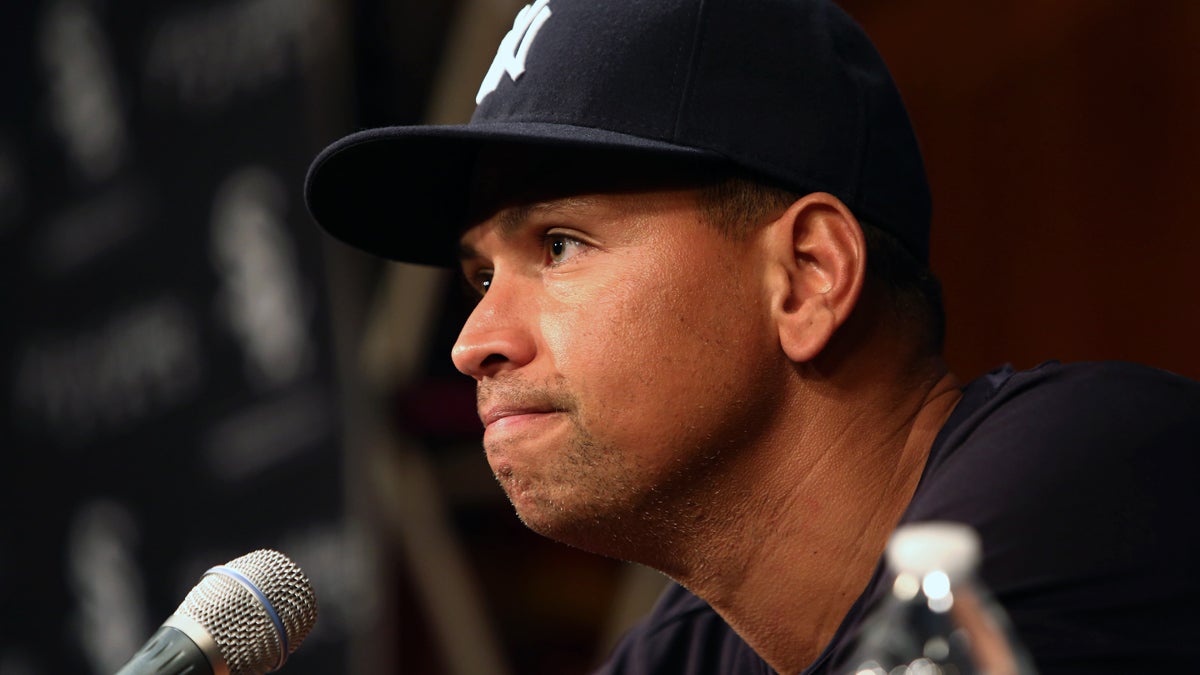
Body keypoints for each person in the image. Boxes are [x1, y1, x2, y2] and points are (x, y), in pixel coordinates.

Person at [304, 0, 1200, 672]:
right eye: (482, 276)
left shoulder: (1094, 483)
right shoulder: (684, 651)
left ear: (808, 275)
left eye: (560, 244)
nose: (473, 342)